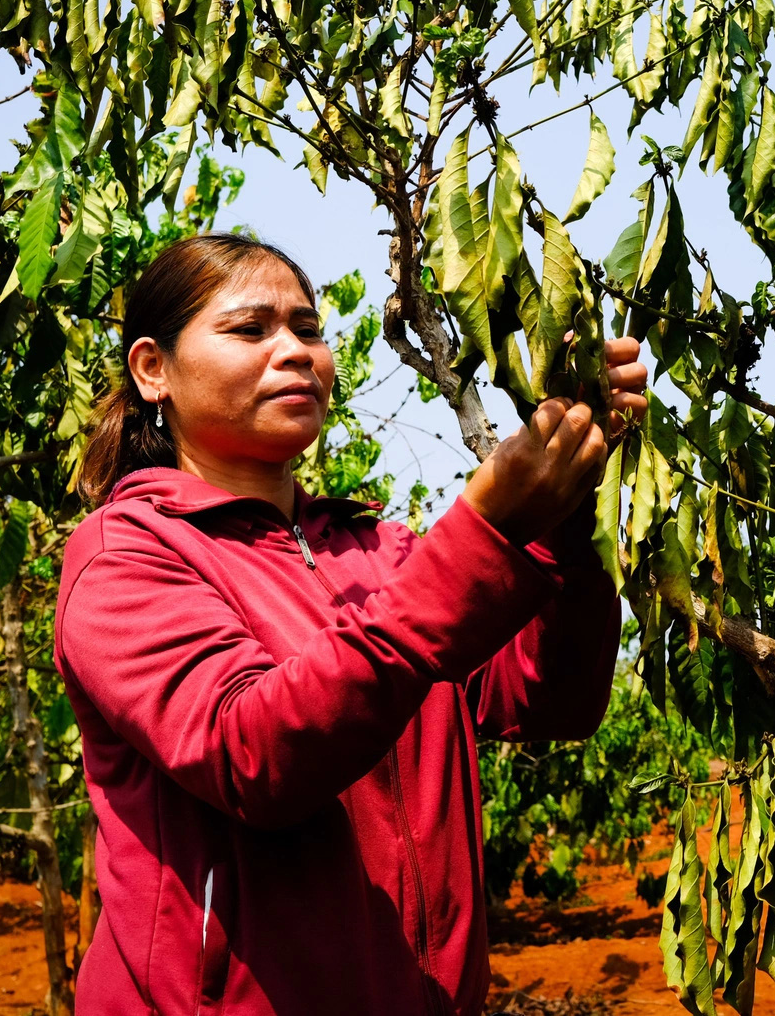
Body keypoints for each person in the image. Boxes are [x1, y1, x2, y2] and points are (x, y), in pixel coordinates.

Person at [54, 232, 646, 1015]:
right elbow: (252, 751)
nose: (295, 351)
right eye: (250, 328)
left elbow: (550, 699)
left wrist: (566, 519)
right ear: (152, 369)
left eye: (308, 329)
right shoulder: (125, 553)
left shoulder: (382, 549)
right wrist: (478, 526)